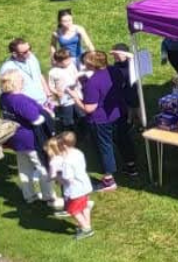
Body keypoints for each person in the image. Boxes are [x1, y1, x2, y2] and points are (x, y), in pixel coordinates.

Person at [77, 51, 138, 190]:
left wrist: (74, 96)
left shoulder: (92, 82)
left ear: (91, 65)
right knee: (123, 139)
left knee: (105, 147)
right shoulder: (114, 70)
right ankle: (131, 167)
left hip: (101, 119)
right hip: (118, 111)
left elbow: (89, 108)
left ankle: (109, 180)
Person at [0, 69, 58, 206]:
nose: (22, 80)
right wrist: (48, 113)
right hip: (31, 139)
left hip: (16, 138)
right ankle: (49, 197)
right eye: (20, 78)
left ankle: (29, 195)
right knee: (43, 167)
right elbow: (35, 119)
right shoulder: (20, 100)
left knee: (24, 168)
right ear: (15, 82)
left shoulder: (3, 98)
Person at [46, 131, 95, 239]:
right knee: (84, 207)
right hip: (85, 185)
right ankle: (86, 223)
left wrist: (56, 177)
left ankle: (87, 229)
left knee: (73, 210)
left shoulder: (67, 161)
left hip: (76, 189)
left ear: (63, 145)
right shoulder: (78, 152)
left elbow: (67, 178)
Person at [0, 38, 49, 105]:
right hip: (26, 108)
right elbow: (4, 92)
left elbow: (39, 75)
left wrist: (48, 94)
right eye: (25, 52)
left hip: (44, 103)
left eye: (30, 49)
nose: (29, 53)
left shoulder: (32, 58)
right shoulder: (7, 68)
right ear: (14, 54)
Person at [46, 48, 83, 134]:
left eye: (69, 58)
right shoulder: (53, 72)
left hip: (76, 95)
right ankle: (69, 133)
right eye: (67, 60)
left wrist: (77, 83)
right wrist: (57, 92)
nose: (69, 61)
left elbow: (76, 75)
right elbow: (51, 86)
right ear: (58, 61)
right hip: (65, 99)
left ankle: (82, 132)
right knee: (68, 118)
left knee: (81, 114)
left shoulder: (72, 66)